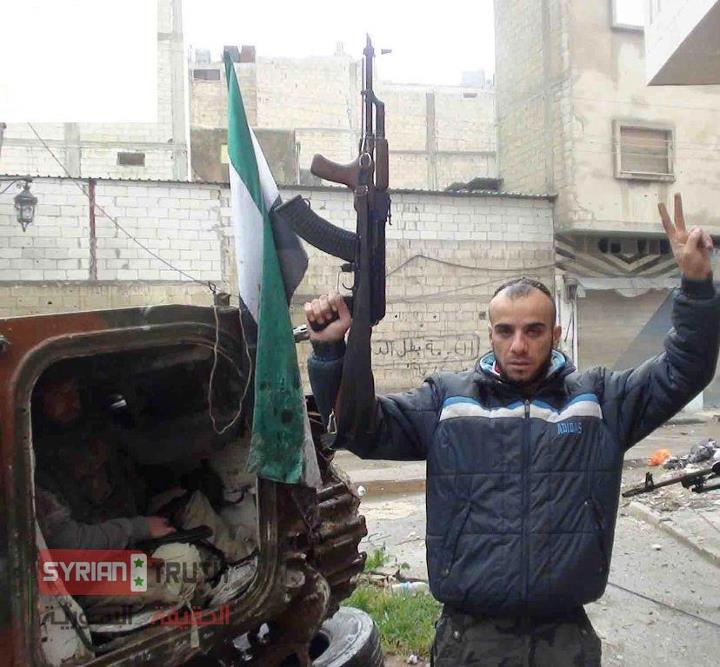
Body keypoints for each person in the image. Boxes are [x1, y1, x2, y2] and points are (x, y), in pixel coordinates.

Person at [304, 194, 720, 666]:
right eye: (506, 331)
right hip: (470, 641)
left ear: (555, 335)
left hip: (564, 640)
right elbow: (361, 429)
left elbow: (684, 369)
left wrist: (696, 286)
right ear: (491, 335)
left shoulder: (600, 401)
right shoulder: (447, 402)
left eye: (533, 331)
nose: (519, 345)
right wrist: (331, 353)